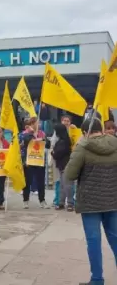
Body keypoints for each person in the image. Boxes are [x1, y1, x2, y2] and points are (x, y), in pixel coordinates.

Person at [64, 118, 117, 285]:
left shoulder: (82, 147)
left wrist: (77, 150)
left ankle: (97, 280)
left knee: (93, 242)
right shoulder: (115, 143)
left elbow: (69, 175)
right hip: (113, 200)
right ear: (101, 129)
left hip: (90, 203)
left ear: (84, 131)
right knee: (116, 240)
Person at [19, 117, 50, 209]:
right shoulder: (25, 133)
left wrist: (43, 139)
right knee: (27, 181)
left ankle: (42, 200)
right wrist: (32, 134)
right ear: (32, 124)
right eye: (37, 122)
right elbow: (25, 142)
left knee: (41, 181)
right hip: (29, 160)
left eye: (39, 122)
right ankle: (26, 200)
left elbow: (48, 144)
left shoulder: (42, 133)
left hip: (39, 160)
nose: (39, 124)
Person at [51, 124, 73, 211]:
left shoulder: (63, 142)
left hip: (65, 165)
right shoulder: (64, 140)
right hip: (62, 165)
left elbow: (57, 154)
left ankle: (70, 203)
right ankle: (61, 202)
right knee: (62, 185)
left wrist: (52, 153)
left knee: (67, 185)